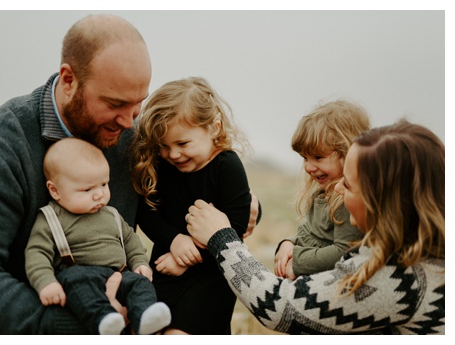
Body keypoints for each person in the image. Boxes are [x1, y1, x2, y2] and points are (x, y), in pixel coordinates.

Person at [0, 14, 151, 334]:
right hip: (15, 325)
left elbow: (178, 195)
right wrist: (76, 326)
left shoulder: (130, 138)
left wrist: (236, 200)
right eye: (115, 103)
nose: (128, 121)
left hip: (115, 314)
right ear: (68, 79)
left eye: (137, 104)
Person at [184, 119, 444, 334]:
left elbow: (277, 305)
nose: (339, 189)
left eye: (350, 185)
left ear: (382, 202)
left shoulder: (399, 278)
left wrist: (222, 238)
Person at [129, 77, 253, 335]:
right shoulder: (163, 166)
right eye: (164, 146)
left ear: (214, 128)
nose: (173, 154)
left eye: (183, 144)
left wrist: (186, 258)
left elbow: (237, 227)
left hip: (212, 273)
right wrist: (174, 241)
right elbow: (146, 212)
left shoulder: (227, 167)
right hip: (165, 267)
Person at [26, 138, 169, 335]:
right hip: (80, 274)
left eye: (104, 184)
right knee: (74, 279)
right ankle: (103, 319)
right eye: (87, 189)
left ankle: (145, 316)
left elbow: (130, 240)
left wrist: (139, 263)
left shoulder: (111, 214)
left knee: (139, 282)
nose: (99, 195)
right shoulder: (52, 217)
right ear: (55, 190)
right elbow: (37, 253)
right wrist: (46, 282)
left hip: (119, 274)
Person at [273, 100, 369, 280]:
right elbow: (312, 235)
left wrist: (297, 262)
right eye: (304, 158)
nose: (309, 167)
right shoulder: (323, 192)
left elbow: (344, 251)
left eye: (318, 157)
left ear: (347, 153)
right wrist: (289, 243)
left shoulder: (347, 202)